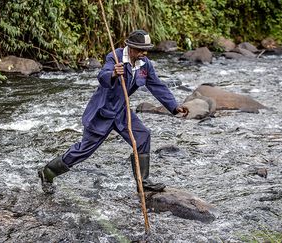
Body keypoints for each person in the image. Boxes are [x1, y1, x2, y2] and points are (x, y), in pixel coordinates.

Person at [38, 30, 189, 194]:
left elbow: (157, 86)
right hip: (103, 112)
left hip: (122, 111)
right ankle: (48, 172)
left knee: (143, 136)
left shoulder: (145, 64)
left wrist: (174, 106)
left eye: (145, 49)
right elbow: (102, 76)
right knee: (84, 150)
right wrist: (113, 73)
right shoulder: (115, 57)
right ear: (130, 47)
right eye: (140, 49)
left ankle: (143, 182)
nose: (143, 53)